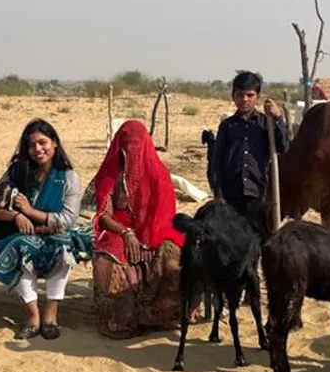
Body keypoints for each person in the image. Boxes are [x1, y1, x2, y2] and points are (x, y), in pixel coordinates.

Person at [0, 119, 92, 340]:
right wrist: (17, 215)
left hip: (54, 232)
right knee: (21, 248)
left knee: (64, 250)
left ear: (55, 144)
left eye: (43, 143)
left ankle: (51, 314)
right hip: (20, 233)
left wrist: (30, 212)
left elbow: (67, 219)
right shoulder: (17, 172)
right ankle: (33, 316)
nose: (38, 149)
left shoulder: (69, 177)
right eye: (32, 145)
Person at [90, 120, 194, 339]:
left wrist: (147, 239)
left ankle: (164, 315)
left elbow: (166, 213)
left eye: (137, 144)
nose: (132, 149)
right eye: (127, 144)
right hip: (119, 228)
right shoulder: (110, 175)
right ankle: (121, 318)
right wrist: (127, 233)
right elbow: (104, 214)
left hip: (155, 229)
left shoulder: (159, 173)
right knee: (107, 259)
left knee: (173, 254)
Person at [209, 70, 289, 217]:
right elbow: (217, 161)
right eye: (240, 95)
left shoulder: (266, 124)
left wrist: (278, 118)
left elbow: (283, 146)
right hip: (231, 193)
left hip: (258, 192)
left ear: (257, 97)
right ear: (233, 96)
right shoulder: (227, 126)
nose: (244, 99)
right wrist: (218, 192)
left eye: (250, 95)